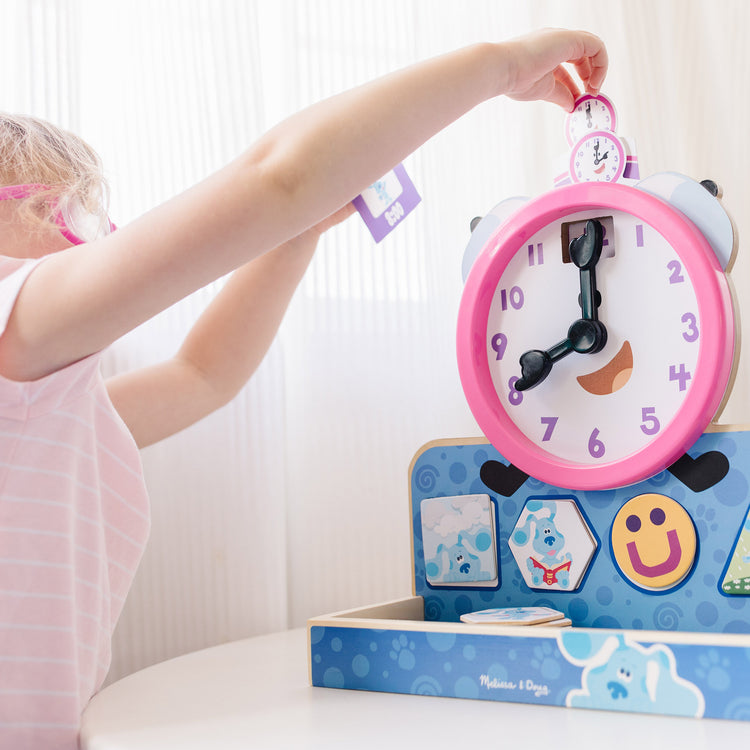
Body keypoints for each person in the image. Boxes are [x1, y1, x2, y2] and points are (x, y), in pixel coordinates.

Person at [0, 28, 607, 749]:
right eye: (74, 221)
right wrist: (499, 66)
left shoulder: (49, 410)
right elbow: (278, 177)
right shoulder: (19, 323)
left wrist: (297, 233)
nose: (92, 250)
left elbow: (204, 375)